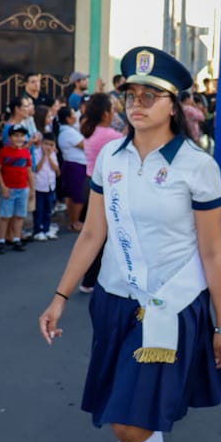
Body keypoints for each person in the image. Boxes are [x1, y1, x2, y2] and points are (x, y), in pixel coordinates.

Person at [39, 46, 221, 442]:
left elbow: (213, 252)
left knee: (127, 422)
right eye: (131, 93)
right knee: (127, 408)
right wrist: (60, 296)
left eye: (152, 94)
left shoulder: (197, 166)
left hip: (169, 308)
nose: (138, 102)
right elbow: (91, 235)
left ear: (175, 105)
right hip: (114, 301)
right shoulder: (111, 157)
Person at [78, 92, 124, 292]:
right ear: (105, 114)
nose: (115, 112)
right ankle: (90, 280)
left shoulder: (90, 130)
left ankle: (90, 279)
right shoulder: (111, 136)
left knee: (96, 235)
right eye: (112, 109)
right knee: (102, 237)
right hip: (105, 188)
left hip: (90, 184)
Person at [0, 124, 35, 253]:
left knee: (19, 215)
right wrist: (3, 186)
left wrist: (32, 189)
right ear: (10, 137)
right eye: (16, 136)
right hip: (9, 189)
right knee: (5, 215)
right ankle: (1, 240)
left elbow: (29, 171)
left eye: (22, 136)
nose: (19, 139)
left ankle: (17, 239)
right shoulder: (4, 152)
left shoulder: (25, 152)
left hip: (22, 188)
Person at [56, 106, 87, 231]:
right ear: (68, 119)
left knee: (72, 195)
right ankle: (75, 222)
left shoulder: (69, 130)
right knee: (78, 196)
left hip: (73, 164)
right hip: (76, 165)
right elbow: (85, 145)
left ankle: (73, 221)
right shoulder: (68, 132)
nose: (76, 116)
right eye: (73, 114)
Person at [33, 132, 60, 241]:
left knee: (48, 209)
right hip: (39, 186)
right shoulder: (36, 153)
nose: (47, 147)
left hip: (50, 186)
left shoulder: (53, 154)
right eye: (45, 144)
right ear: (41, 143)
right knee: (39, 209)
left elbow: (56, 169)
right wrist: (44, 156)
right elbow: (36, 169)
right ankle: (38, 230)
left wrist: (49, 156)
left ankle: (46, 229)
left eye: (51, 144)